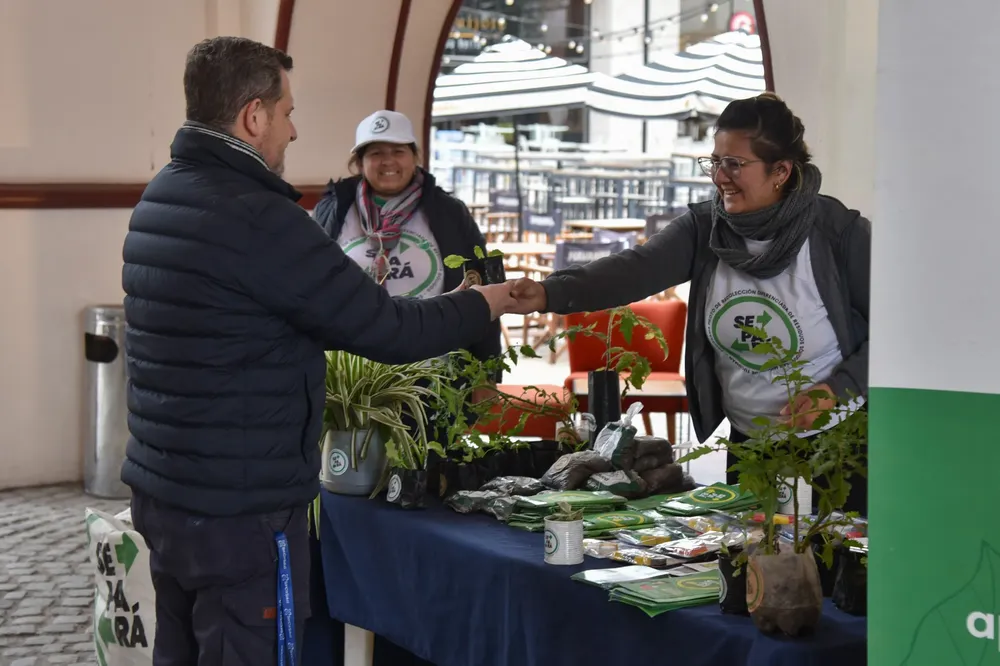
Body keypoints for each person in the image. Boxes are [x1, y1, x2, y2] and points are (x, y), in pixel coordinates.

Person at [120, 36, 516, 666]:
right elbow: (386, 329)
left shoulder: (162, 195)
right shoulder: (259, 217)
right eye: (287, 112)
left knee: (181, 651)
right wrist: (483, 303)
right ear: (253, 116)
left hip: (168, 491)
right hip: (242, 511)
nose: (294, 130)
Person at [510, 93, 870, 514]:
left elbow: (896, 337)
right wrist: (548, 293)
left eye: (734, 163)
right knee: (756, 551)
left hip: (835, 447)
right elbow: (635, 269)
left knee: (832, 553)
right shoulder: (706, 228)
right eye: (714, 162)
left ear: (781, 171)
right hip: (750, 447)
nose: (719, 177)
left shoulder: (838, 235)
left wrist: (837, 391)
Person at [312, 109, 501, 393]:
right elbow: (311, 285)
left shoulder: (450, 213)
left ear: (415, 157)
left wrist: (487, 374)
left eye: (398, 151)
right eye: (376, 153)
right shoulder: (333, 210)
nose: (388, 161)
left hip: (435, 376)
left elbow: (486, 288)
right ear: (359, 162)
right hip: (352, 382)